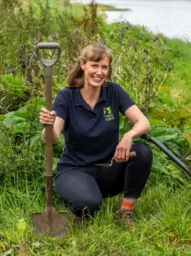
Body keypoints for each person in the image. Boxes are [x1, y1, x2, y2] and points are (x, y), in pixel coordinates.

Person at [39, 42, 152, 228]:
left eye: (104, 67)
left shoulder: (114, 92)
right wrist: (48, 126)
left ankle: (126, 211)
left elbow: (144, 123)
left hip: (107, 169)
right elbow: (52, 138)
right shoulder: (67, 97)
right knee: (89, 204)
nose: (99, 72)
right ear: (83, 65)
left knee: (142, 151)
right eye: (94, 65)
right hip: (74, 171)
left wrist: (129, 135)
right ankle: (83, 199)